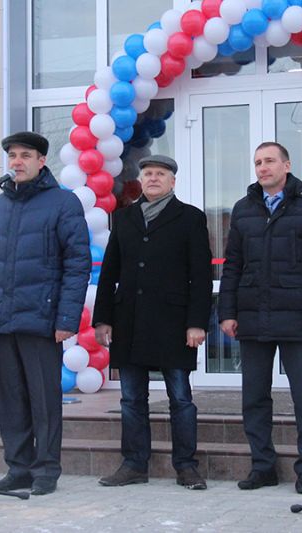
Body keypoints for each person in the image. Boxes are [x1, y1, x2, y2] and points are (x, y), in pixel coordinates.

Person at [0, 132, 91, 496]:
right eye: (12, 156)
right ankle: (18, 468)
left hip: (41, 320)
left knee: (44, 401)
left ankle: (46, 469)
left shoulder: (63, 203)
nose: (17, 162)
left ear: (41, 161)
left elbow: (77, 263)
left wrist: (66, 320)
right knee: (12, 401)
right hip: (2, 320)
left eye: (25, 155)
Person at [218, 142, 302, 494]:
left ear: (286, 165)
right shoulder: (244, 209)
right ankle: (263, 467)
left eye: (269, 161)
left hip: (298, 317)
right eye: (258, 162)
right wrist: (227, 312)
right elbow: (233, 265)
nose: (263, 167)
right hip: (253, 317)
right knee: (254, 398)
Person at [94, 155, 213, 490]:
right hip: (129, 321)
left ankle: (186, 466)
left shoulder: (190, 217)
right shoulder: (124, 217)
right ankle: (134, 464)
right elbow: (109, 272)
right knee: (131, 399)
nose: (153, 178)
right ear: (141, 180)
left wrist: (197, 323)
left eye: (161, 174)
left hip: (173, 323)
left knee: (181, 399)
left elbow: (201, 276)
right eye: (148, 173)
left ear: (173, 182)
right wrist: (103, 318)